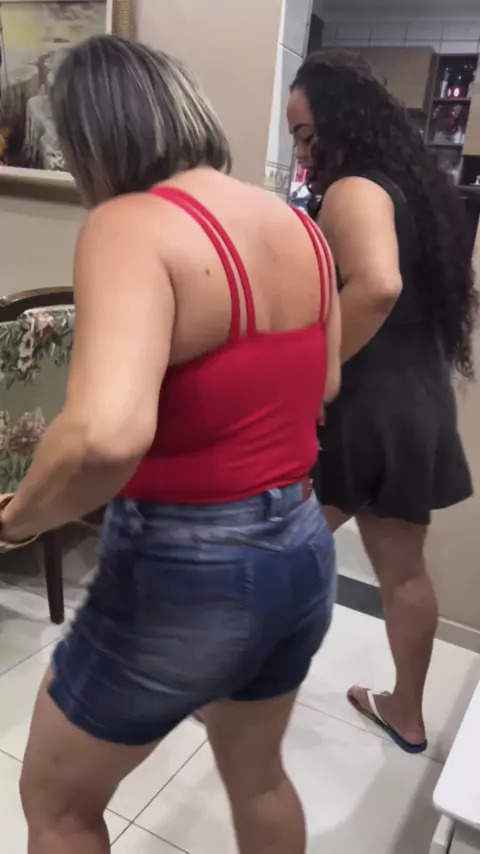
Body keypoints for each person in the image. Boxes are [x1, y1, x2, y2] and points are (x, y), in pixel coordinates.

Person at [0, 36, 340, 854]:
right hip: (300, 549)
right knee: (259, 779)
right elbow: (325, 384)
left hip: (188, 572)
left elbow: (104, 435)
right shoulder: (302, 227)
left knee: (56, 803)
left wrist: (17, 519)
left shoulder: (129, 225)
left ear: (91, 136)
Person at [287, 50, 477, 755]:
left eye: (306, 135)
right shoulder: (412, 189)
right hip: (417, 400)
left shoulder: (354, 189)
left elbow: (377, 286)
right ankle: (406, 712)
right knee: (402, 569)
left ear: (342, 123)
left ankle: (235, 698)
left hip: (366, 405)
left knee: (277, 554)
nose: (301, 151)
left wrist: (312, 379)